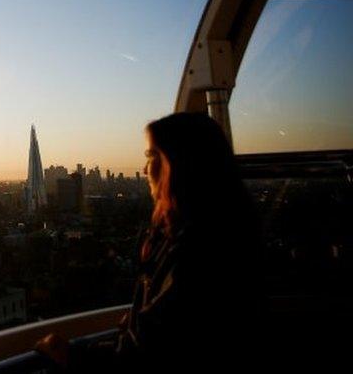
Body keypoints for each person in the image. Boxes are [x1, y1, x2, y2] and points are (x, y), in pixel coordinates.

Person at [36, 112, 264, 371]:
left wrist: (68, 354)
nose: (145, 170)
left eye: (152, 156)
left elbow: (142, 357)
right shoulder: (213, 232)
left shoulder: (202, 252)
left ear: (182, 165)